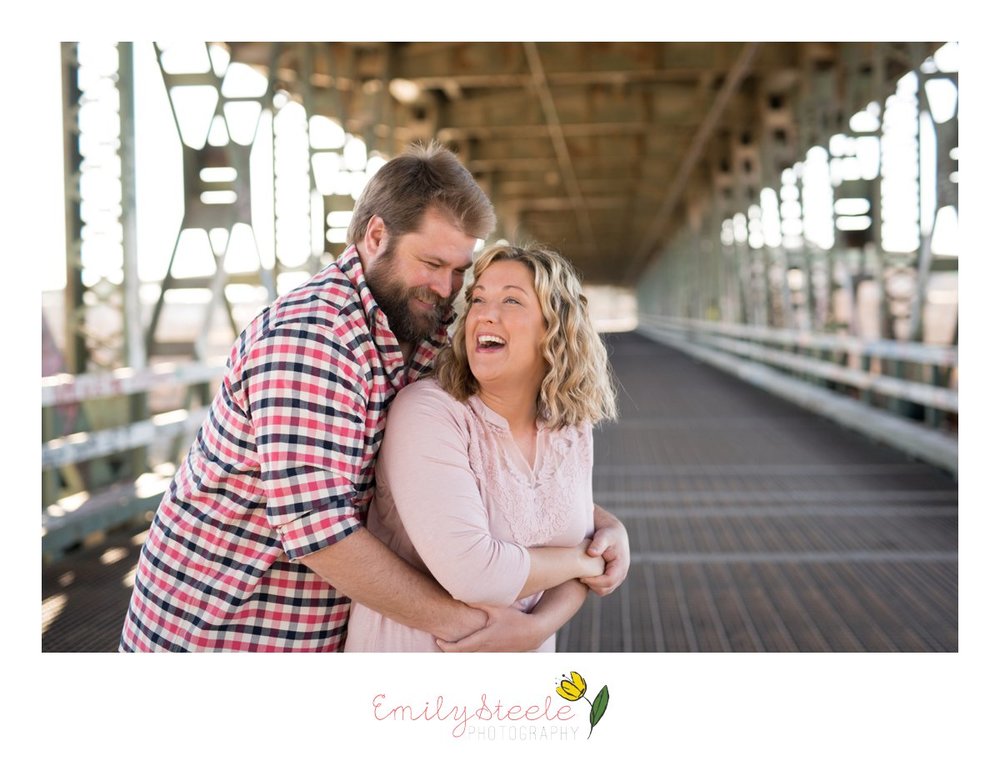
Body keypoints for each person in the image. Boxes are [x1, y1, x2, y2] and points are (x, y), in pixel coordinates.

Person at [119, 142, 630, 652]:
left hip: (322, 636)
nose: (447, 287)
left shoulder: (428, 329)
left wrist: (600, 528)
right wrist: (471, 632)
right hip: (221, 632)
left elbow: (492, 471)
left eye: (459, 271)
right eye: (431, 262)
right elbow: (319, 531)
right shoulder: (311, 339)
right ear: (375, 235)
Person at [344, 244, 618, 652]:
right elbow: (475, 572)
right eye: (478, 298)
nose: (486, 313)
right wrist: (587, 558)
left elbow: (573, 542)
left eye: (511, 299)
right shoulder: (429, 413)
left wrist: (539, 626)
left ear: (554, 327)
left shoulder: (571, 426)